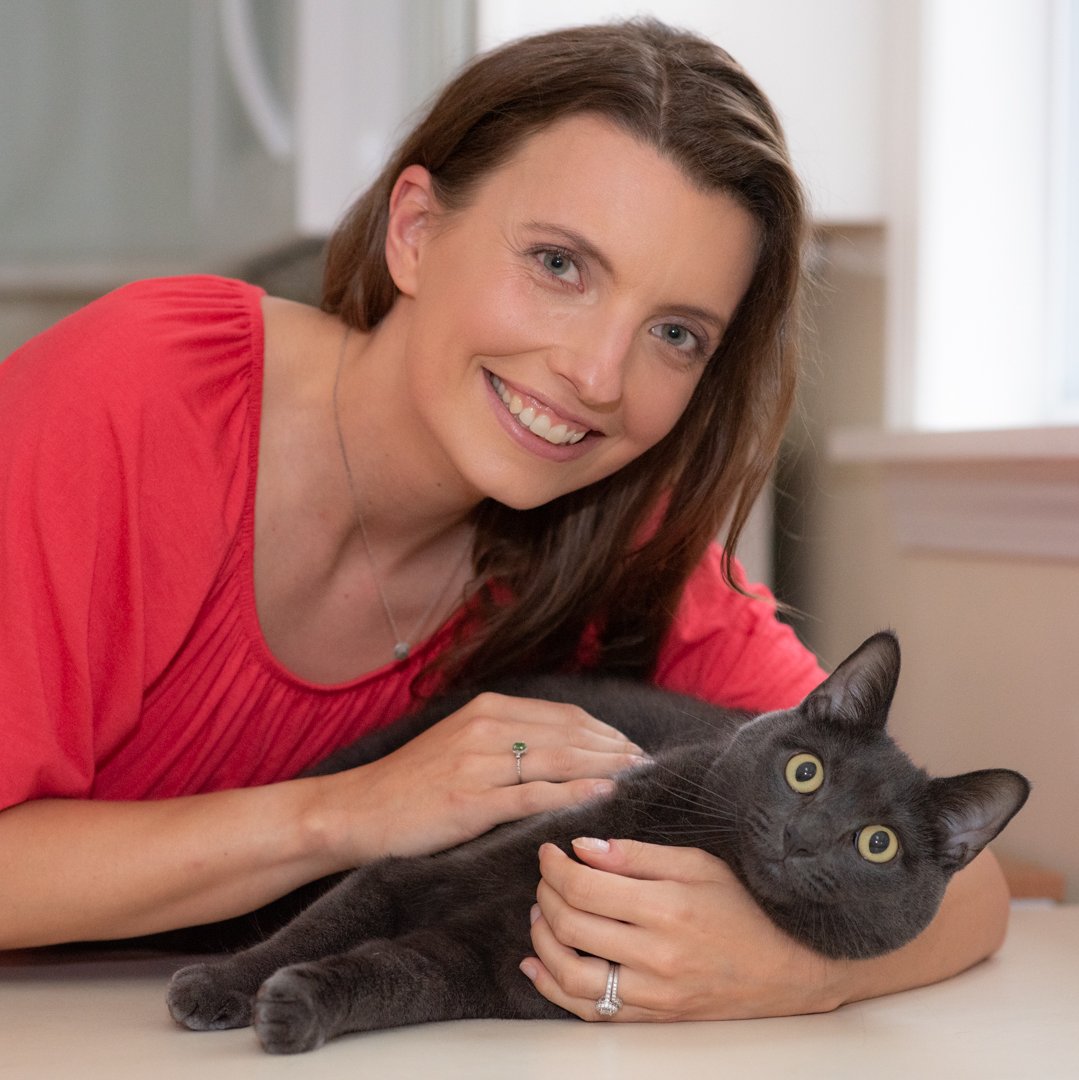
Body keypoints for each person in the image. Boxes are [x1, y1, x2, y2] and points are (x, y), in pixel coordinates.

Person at [0, 19, 1009, 1021]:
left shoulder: (624, 534)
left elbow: (967, 883)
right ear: (414, 231)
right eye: (559, 266)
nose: (597, 375)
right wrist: (346, 813)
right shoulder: (139, 400)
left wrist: (799, 973)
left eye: (673, 333)